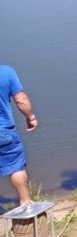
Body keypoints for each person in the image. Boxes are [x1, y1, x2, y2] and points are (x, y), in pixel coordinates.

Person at [0, 65, 38, 206]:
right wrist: (30, 117)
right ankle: (25, 202)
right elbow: (21, 100)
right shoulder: (6, 72)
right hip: (4, 131)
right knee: (15, 166)